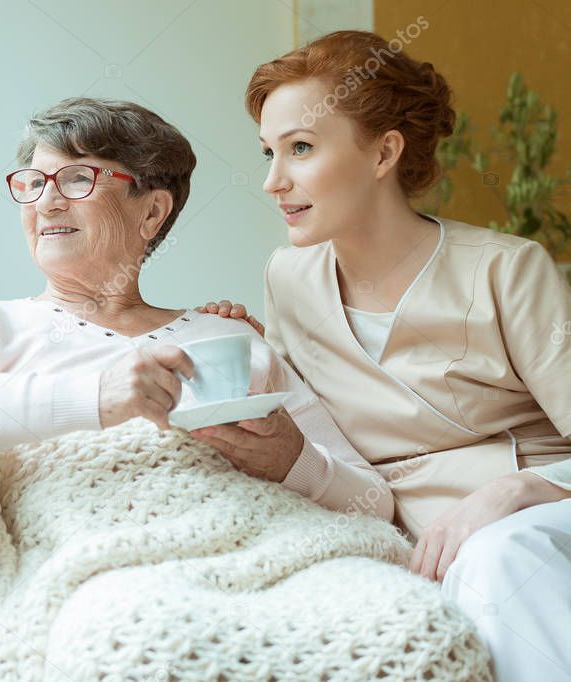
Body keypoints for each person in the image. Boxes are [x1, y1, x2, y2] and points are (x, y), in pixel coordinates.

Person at [197, 30, 571, 681]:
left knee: (498, 558)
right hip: (395, 528)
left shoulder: (506, 270)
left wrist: (512, 491)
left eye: (301, 149)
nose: (271, 181)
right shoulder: (288, 276)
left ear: (383, 153)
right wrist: (250, 354)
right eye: (268, 152)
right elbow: (314, 428)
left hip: (532, 513)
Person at [0, 97, 392, 519]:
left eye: (78, 178)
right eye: (33, 183)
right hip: (95, 571)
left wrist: (295, 463)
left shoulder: (225, 337)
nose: (47, 200)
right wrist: (96, 398)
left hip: (253, 554)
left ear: (152, 212)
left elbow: (376, 502)